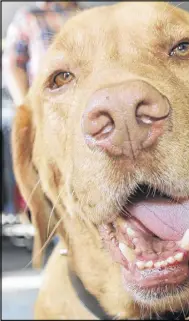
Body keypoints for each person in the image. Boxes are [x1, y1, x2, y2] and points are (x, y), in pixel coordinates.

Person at [2, 2, 80, 239]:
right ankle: (58, 243)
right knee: (51, 180)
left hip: (82, 111)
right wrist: (27, 108)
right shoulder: (30, 17)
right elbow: (12, 65)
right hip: (46, 113)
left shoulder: (85, 14)